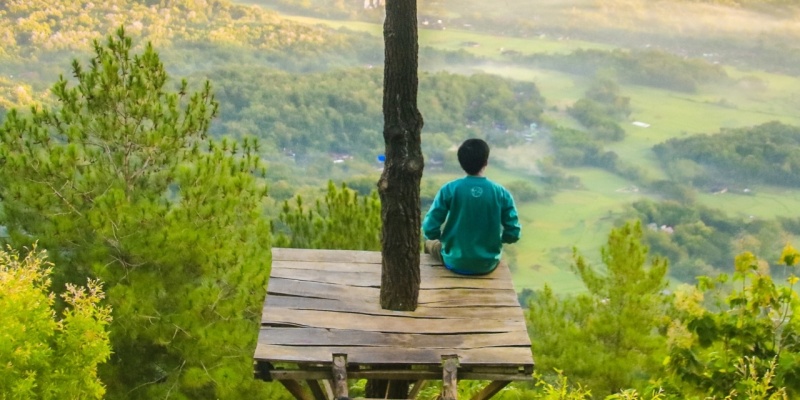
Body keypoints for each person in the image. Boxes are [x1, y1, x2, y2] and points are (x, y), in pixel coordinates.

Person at [422, 138, 521, 275]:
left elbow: (429, 228)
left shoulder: (449, 189)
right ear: (486, 162)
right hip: (487, 264)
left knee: (428, 243)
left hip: (454, 261)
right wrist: (497, 240)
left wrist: (442, 240)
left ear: (461, 163)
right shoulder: (501, 193)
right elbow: (513, 233)